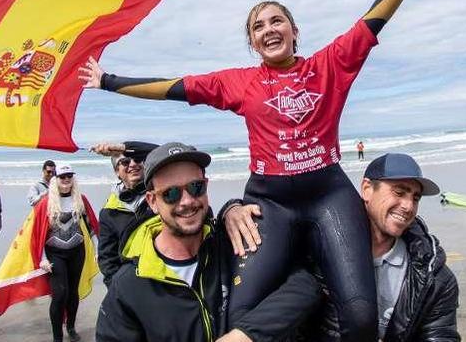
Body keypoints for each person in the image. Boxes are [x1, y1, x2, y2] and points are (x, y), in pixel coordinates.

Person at [81, 0, 448, 341]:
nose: (268, 29)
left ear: (294, 31)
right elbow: (175, 87)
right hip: (270, 202)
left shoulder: (329, 66)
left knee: (360, 317)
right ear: (253, 43)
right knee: (239, 316)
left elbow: (373, 20)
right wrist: (108, 80)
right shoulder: (240, 82)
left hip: (328, 194)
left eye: (277, 21)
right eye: (258, 27)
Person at [96, 142, 321, 342]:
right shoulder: (129, 286)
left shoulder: (233, 243)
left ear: (206, 186)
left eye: (196, 187)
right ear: (153, 201)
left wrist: (245, 334)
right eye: (171, 194)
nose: (187, 201)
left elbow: (304, 285)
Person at [227, 152, 460, 341]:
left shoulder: (435, 278)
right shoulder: (315, 248)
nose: (408, 206)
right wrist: (232, 209)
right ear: (367, 189)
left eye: (415, 197)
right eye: (399, 192)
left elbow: (440, 335)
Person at [38, 165, 97, 342]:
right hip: (55, 254)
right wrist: (42, 258)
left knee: (72, 292)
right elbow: (37, 233)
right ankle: (57, 337)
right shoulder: (45, 202)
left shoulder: (81, 200)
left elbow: (91, 226)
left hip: (77, 252)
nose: (66, 180)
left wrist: (97, 250)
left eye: (69, 176)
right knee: (60, 294)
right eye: (62, 176)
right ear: (55, 179)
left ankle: (70, 326)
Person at [91, 141, 159, 285]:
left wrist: (125, 147)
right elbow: (107, 259)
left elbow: (171, 153)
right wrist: (118, 291)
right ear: (117, 171)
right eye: (125, 162)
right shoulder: (108, 212)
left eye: (138, 159)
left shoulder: (163, 195)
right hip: (132, 285)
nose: (133, 164)